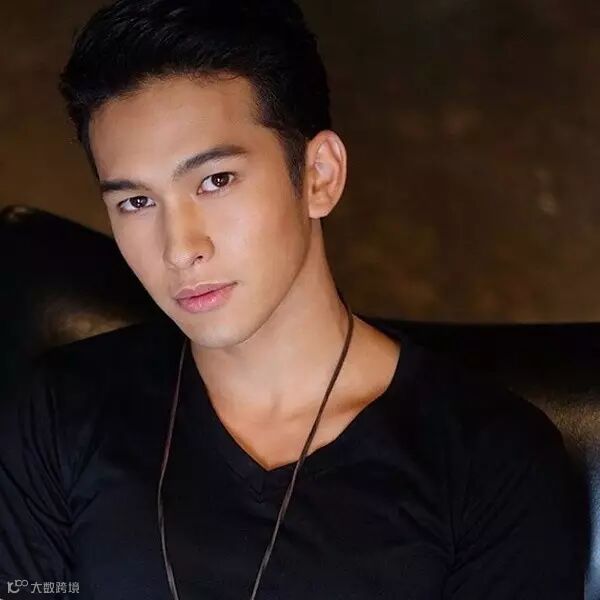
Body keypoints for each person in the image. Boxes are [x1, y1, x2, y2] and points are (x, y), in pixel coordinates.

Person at [0, 0, 585, 598]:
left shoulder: (492, 463)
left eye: (216, 181)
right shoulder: (58, 413)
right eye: (136, 202)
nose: (180, 249)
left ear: (319, 176)